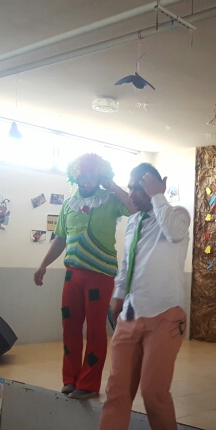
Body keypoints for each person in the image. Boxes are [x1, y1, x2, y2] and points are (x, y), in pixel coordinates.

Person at [97, 163, 190, 430]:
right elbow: (126, 263)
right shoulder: (133, 222)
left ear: (157, 186)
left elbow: (175, 233)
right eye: (131, 187)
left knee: (153, 392)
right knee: (116, 392)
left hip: (166, 316)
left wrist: (158, 195)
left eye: (139, 187)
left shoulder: (177, 214)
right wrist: (117, 295)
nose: (132, 193)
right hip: (130, 316)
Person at [34, 153, 135, 400]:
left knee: (96, 330)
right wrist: (43, 265)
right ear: (75, 176)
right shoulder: (69, 204)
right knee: (69, 327)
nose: (87, 181)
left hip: (100, 275)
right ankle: (70, 379)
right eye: (83, 176)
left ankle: (88, 383)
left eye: (92, 176)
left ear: (100, 176)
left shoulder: (110, 199)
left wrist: (112, 185)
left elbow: (135, 208)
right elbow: (60, 239)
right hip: (73, 276)